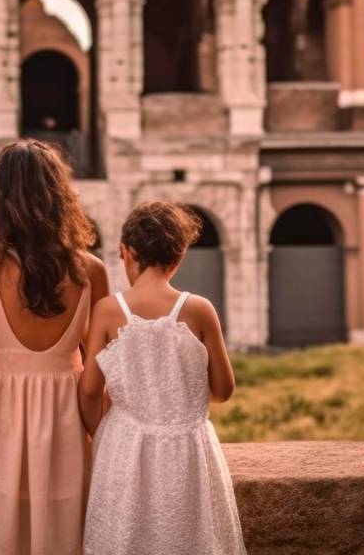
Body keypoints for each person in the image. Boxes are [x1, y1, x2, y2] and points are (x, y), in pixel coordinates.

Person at [0, 139, 109, 555]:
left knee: (3, 521)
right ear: (60, 195)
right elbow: (102, 371)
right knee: (65, 523)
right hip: (67, 413)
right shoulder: (91, 270)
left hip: (0, 414)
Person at [78, 202, 245, 555]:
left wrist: (102, 432)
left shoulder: (109, 310)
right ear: (180, 255)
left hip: (124, 447)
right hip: (189, 451)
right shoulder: (199, 309)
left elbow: (90, 390)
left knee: (124, 536)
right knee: (190, 537)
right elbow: (223, 390)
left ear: (125, 251)